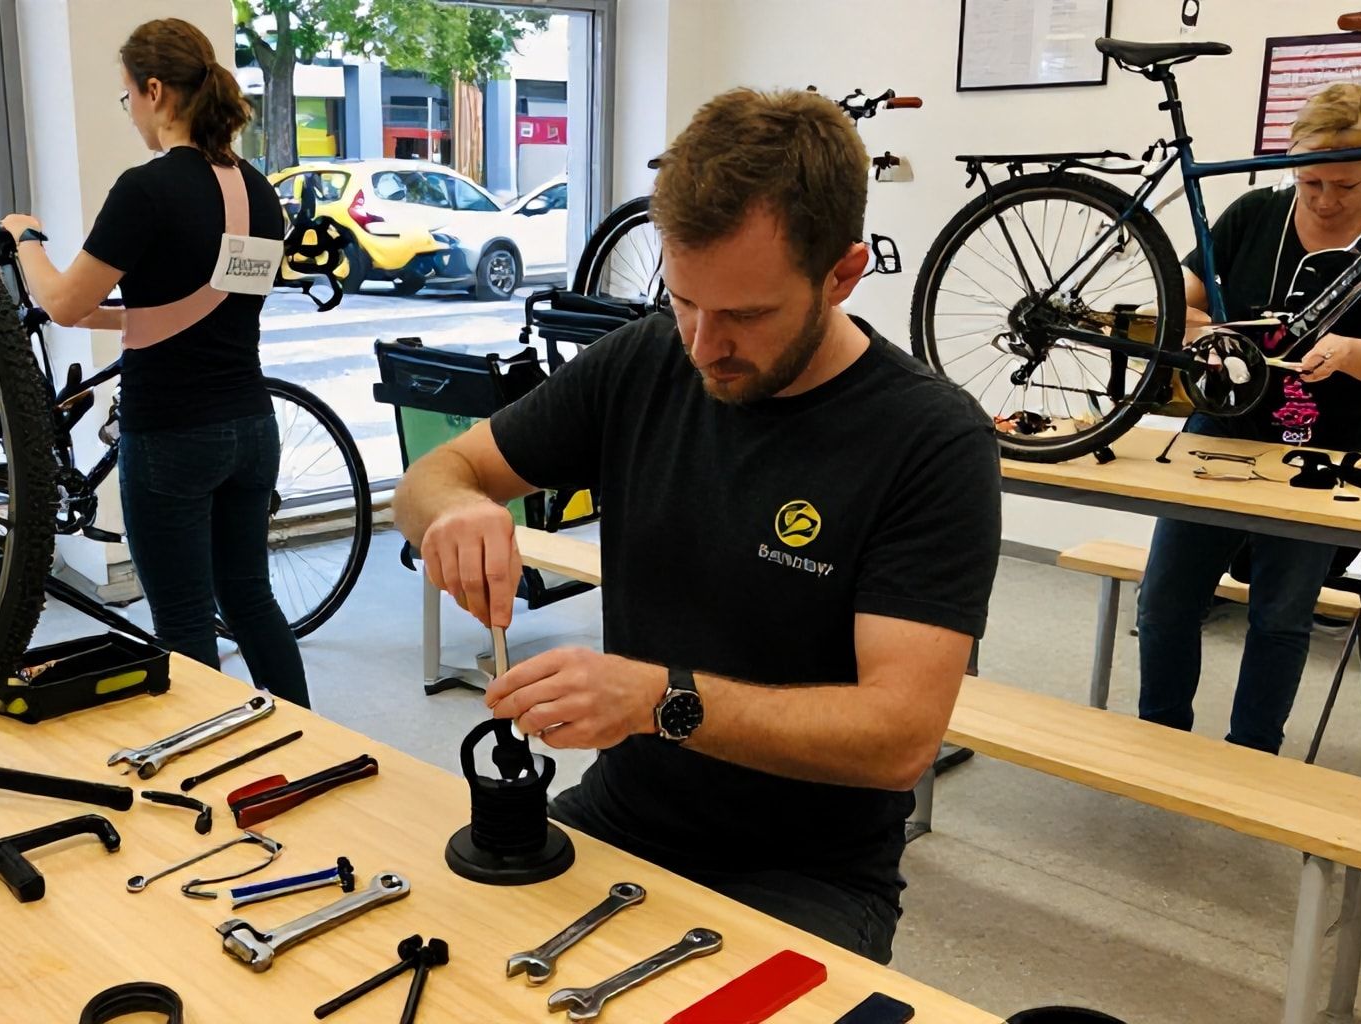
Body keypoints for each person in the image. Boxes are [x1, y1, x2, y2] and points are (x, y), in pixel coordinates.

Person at [392, 87, 1002, 963]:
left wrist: (656, 700)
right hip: (625, 813)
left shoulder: (930, 442)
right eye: (683, 298)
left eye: (746, 315)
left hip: (807, 873)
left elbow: (898, 738)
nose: (702, 344)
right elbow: (430, 476)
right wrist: (452, 509)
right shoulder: (646, 360)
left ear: (842, 273)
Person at [0, 18, 308, 706]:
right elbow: (208, 304)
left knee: (186, 622)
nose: (130, 112)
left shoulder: (147, 190)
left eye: (127, 97)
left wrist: (26, 240)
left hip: (173, 434)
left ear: (156, 91)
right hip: (252, 428)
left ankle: (204, 765)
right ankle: (314, 745)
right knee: (251, 601)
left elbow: (65, 304)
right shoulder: (259, 192)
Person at [1136, 83, 1361, 753]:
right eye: (1311, 181)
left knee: (1280, 616)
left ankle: (1252, 755)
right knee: (1165, 600)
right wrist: (1199, 331)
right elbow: (1179, 302)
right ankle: (1160, 742)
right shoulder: (1252, 215)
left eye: (1347, 185)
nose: (1327, 198)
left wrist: (1349, 351)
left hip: (1326, 453)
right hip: (1223, 433)